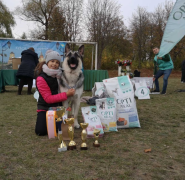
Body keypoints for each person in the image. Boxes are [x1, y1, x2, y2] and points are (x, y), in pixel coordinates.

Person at [34, 51, 75, 136]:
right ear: (47, 62)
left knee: (60, 129)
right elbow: (48, 99)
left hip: (58, 107)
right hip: (45, 107)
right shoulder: (41, 78)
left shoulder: (60, 75)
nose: (54, 64)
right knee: (40, 131)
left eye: (57, 62)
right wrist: (66, 94)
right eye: (52, 61)